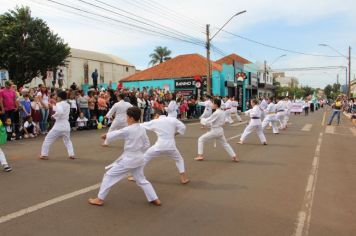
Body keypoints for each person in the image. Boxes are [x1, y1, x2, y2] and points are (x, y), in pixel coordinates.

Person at [88, 107, 161, 206]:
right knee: (141, 179)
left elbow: (116, 134)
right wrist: (139, 152)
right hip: (139, 158)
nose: (126, 119)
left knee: (109, 175)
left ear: (130, 118)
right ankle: (154, 198)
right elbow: (146, 144)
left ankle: (100, 199)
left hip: (129, 159)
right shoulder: (142, 129)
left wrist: (105, 136)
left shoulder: (128, 129)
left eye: (127, 117)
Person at [141, 109, 189, 184]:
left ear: (157, 115)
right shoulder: (173, 119)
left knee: (145, 157)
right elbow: (183, 127)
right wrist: (175, 134)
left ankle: (135, 175)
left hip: (159, 146)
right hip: (171, 146)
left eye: (154, 116)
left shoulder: (155, 121)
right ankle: (183, 177)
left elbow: (142, 125)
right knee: (179, 159)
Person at [40, 91, 75, 160]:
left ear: (59, 97)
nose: (56, 98)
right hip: (66, 125)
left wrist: (54, 115)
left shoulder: (59, 103)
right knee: (67, 141)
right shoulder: (67, 104)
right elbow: (61, 110)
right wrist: (53, 108)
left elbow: (60, 111)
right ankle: (71, 154)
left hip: (59, 125)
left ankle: (44, 154)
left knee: (48, 139)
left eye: (57, 96)